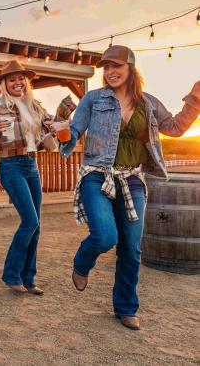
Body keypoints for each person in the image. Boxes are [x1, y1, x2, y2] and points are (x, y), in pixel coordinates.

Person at [58, 45, 200, 330]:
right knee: (104, 237)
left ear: (130, 69)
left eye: (117, 67)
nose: (110, 72)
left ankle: (125, 307)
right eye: (106, 67)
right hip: (97, 175)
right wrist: (63, 132)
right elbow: (73, 132)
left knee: (131, 249)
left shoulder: (148, 103)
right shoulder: (93, 99)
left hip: (132, 180)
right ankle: (82, 263)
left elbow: (173, 128)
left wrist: (194, 100)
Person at [0, 60, 72, 296]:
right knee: (29, 221)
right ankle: (11, 275)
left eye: (21, 78)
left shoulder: (35, 106)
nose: (17, 82)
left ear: (26, 81)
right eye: (12, 79)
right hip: (10, 165)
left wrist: (61, 118)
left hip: (31, 164)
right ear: (4, 84)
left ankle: (29, 278)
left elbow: (55, 125)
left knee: (36, 225)